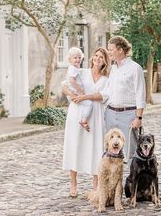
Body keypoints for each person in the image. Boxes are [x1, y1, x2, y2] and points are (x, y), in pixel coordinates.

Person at [72, 36, 145, 164]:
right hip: (110, 114)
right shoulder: (113, 69)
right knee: (111, 152)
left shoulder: (135, 68)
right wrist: (86, 96)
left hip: (128, 115)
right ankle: (114, 183)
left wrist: (138, 118)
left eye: (111, 50)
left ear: (121, 50)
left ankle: (131, 183)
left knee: (130, 153)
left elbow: (140, 94)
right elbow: (106, 93)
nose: (109, 52)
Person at [62, 47, 110, 198]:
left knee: (96, 147)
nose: (97, 59)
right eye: (96, 55)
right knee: (74, 145)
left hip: (95, 114)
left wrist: (85, 97)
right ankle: (73, 183)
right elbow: (64, 85)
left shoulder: (106, 79)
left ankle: (95, 185)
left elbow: (103, 96)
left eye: (101, 57)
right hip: (77, 112)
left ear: (105, 62)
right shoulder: (81, 72)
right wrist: (73, 95)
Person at [62, 47, 92, 132]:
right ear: (70, 59)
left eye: (79, 57)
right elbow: (71, 81)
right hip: (75, 94)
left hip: (74, 95)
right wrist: (80, 89)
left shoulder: (74, 68)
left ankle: (82, 119)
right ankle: (84, 120)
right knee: (89, 104)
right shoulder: (73, 69)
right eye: (75, 58)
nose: (78, 59)